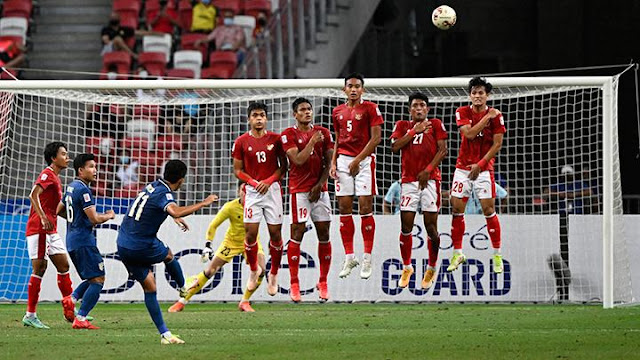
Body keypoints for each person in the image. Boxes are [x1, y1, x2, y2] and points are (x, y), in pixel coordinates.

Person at [116, 160, 218, 344]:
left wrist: (174, 218)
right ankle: (183, 286)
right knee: (169, 255)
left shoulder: (153, 186)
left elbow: (151, 208)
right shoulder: (165, 193)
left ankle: (165, 334)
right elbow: (174, 209)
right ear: (181, 180)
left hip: (123, 244)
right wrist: (204, 202)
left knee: (150, 287)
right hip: (140, 244)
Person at [168, 183, 266, 313]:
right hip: (231, 243)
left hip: (252, 243)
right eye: (244, 191)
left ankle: (245, 301)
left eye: (249, 192)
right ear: (238, 192)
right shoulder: (230, 207)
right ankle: (182, 302)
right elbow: (213, 225)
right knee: (210, 271)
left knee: (262, 270)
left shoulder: (257, 206)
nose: (246, 194)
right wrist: (208, 245)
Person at [448, 77, 506, 274]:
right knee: (456, 208)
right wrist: (487, 117)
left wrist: (481, 165)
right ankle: (458, 253)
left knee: (488, 209)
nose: (477, 96)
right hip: (463, 167)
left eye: (481, 92)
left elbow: (497, 144)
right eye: (474, 92)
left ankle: (497, 254)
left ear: (487, 95)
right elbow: (470, 134)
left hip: (484, 168)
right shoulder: (462, 112)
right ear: (470, 95)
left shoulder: (498, 117)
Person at [390, 92, 447, 289]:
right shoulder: (402, 126)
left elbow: (443, 150)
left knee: (431, 227)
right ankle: (407, 267)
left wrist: (428, 171)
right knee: (406, 226)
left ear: (428, 109)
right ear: (409, 109)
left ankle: (431, 267)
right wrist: (415, 131)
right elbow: (395, 146)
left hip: (430, 181)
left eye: (422, 105)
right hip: (408, 182)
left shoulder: (436, 124)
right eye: (415, 105)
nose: (419, 108)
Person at [329, 73, 383, 280]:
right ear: (344, 89)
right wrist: (334, 162)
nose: (353, 89)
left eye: (357, 86)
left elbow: (376, 138)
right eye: (350, 86)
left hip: (365, 160)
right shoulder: (337, 111)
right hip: (343, 161)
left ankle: (367, 257)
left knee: (365, 207)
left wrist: (357, 160)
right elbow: (337, 140)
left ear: (363, 89)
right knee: (344, 207)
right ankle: (350, 257)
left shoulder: (370, 108)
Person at [281, 98, 334, 302]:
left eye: (309, 109)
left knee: (324, 233)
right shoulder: (289, 134)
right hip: (299, 191)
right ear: (295, 114)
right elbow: (298, 160)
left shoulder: (324, 132)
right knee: (297, 232)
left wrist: (320, 185)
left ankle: (323, 282)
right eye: (302, 110)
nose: (307, 112)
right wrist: (312, 141)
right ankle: (295, 284)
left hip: (320, 190)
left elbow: (329, 162)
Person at [232, 102, 287, 296]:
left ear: (266, 118)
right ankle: (254, 269)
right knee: (250, 234)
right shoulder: (241, 141)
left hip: (272, 191)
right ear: (249, 119)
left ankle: (273, 273)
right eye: (255, 115)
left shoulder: (276, 139)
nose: (258, 118)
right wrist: (254, 183)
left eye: (262, 115)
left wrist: (269, 180)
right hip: (253, 192)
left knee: (275, 235)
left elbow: (284, 166)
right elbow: (237, 170)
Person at [22, 142, 75, 329]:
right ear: (54, 158)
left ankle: (70, 308)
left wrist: (72, 218)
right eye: (63, 154)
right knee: (40, 269)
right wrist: (43, 217)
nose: (67, 157)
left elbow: (55, 208)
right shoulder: (47, 174)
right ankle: (30, 315)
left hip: (50, 229)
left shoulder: (56, 178)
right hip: (40, 228)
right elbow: (33, 195)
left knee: (64, 265)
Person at [61, 154, 115, 329]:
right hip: (84, 240)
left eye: (95, 166)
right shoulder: (83, 189)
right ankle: (81, 318)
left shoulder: (70, 187)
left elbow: (58, 210)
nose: (95, 171)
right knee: (98, 279)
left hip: (72, 240)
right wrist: (109, 215)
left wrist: (75, 220)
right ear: (80, 170)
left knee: (92, 277)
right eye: (91, 166)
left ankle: (72, 299)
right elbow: (94, 219)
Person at [544, 164, 592, 300]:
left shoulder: (578, 184)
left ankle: (569, 288)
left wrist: (574, 195)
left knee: (573, 250)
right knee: (562, 250)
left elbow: (590, 192)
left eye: (568, 175)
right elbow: (546, 193)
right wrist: (559, 194)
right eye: (565, 175)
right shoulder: (558, 185)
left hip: (576, 219)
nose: (567, 177)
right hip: (561, 219)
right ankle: (562, 290)